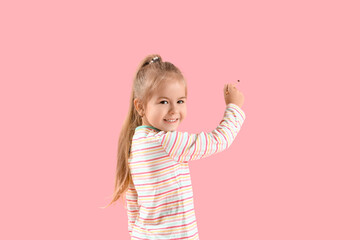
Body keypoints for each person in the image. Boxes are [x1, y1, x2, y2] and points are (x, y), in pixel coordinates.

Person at [106, 54, 246, 239]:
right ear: (140, 107)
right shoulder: (167, 142)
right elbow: (219, 140)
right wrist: (234, 107)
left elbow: (133, 203)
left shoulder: (135, 144)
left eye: (180, 101)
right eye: (164, 102)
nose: (174, 110)